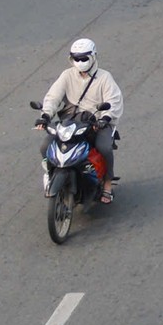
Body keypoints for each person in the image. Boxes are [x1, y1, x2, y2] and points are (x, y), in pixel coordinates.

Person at [41, 37, 125, 203]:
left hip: (97, 121)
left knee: (104, 147)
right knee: (45, 145)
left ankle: (107, 184)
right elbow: (53, 97)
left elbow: (114, 101)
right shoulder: (67, 75)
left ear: (93, 57)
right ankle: (51, 176)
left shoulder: (104, 77)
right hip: (71, 123)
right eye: (76, 58)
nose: (80, 62)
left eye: (84, 58)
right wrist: (45, 116)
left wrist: (105, 118)